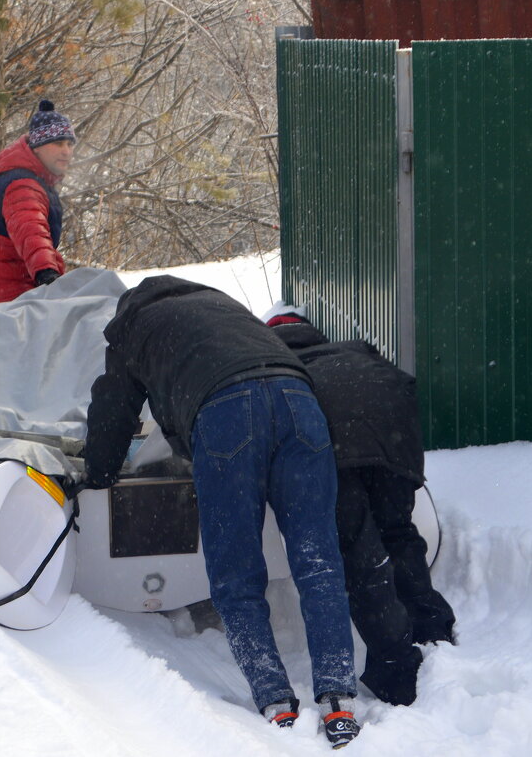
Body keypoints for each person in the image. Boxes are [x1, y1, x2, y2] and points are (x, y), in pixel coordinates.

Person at [81, 276, 360, 749]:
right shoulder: (223, 304)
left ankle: (276, 703)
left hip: (227, 411)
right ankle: (339, 699)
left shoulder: (133, 328)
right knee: (317, 559)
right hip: (299, 402)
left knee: (236, 573)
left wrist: (98, 474)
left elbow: (113, 413)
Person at [262, 303, 457, 706]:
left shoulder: (281, 373)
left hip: (338, 452)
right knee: (398, 532)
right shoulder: (354, 351)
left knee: (360, 556)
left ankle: (395, 669)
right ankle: (432, 628)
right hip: (394, 441)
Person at [0, 99, 75, 304]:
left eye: (70, 144)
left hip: (6, 291)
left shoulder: (30, 178)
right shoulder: (23, 185)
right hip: (12, 299)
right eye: (58, 143)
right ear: (37, 147)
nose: (66, 151)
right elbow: (31, 231)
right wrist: (46, 272)